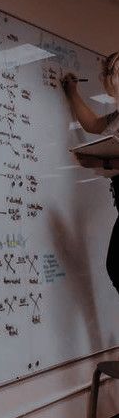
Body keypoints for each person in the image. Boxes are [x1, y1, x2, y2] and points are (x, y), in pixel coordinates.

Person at [61, 51, 119, 294]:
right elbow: (93, 125)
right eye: (110, 71)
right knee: (116, 267)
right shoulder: (117, 117)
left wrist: (101, 163)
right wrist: (73, 94)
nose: (110, 76)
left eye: (115, 71)